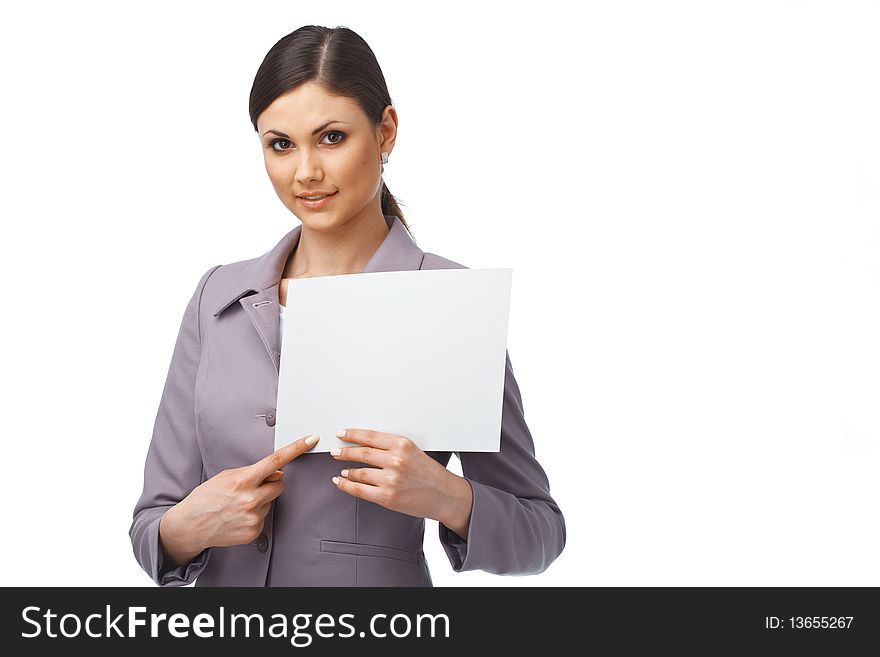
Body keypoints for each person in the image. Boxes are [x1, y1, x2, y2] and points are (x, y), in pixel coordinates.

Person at [129, 24, 566, 586]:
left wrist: (449, 497)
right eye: (280, 144)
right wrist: (190, 525)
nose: (306, 172)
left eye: (331, 137)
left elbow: (540, 532)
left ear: (385, 132)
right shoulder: (217, 297)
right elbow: (151, 526)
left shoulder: (448, 304)